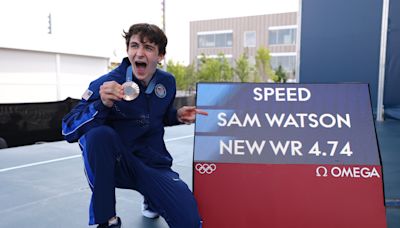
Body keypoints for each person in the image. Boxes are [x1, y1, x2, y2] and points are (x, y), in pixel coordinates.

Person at [62, 23, 207, 228]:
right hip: (119, 163)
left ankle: (151, 198)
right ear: (128, 50)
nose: (139, 53)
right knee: (98, 136)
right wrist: (100, 104)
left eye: (148, 48)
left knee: (190, 223)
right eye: (134, 46)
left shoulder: (167, 82)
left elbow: (158, 117)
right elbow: (68, 129)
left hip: (153, 163)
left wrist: (176, 116)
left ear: (160, 55)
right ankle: (106, 219)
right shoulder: (106, 84)